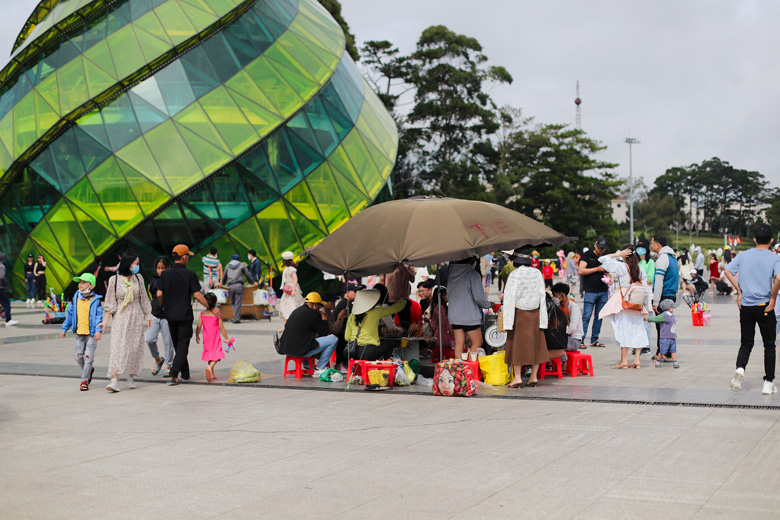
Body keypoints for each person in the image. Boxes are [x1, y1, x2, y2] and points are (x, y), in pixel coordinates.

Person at [723, 224, 780, 395]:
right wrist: (774, 297)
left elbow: (727, 271)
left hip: (746, 306)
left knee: (746, 342)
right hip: (765, 306)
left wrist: (739, 291)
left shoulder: (743, 255)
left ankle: (740, 369)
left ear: (754, 239)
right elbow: (778, 277)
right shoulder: (774, 258)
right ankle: (768, 382)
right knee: (769, 345)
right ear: (771, 240)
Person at [158, 244, 215, 386]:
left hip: (170, 315)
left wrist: (165, 304)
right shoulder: (190, 274)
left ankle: (185, 373)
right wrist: (210, 306)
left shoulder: (165, 274)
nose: (188, 258)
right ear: (183, 257)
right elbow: (197, 294)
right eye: (187, 256)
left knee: (178, 345)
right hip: (184, 315)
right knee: (183, 345)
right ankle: (174, 373)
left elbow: (159, 293)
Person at [103, 250, 153, 392]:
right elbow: (110, 303)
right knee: (117, 347)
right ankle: (114, 380)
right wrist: (105, 322)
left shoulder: (139, 278)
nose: (137, 266)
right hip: (120, 316)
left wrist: (148, 315)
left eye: (138, 263)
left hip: (136, 316)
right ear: (127, 263)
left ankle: (131, 376)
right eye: (135, 263)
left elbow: (143, 297)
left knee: (134, 347)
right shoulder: (114, 280)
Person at [503, 247, 548, 388]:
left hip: (519, 314)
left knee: (516, 345)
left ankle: (517, 377)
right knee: (537, 344)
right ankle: (533, 376)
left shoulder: (514, 275)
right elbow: (543, 295)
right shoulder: (537, 273)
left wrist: (507, 321)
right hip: (535, 313)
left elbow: (509, 298)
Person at [598, 246, 649, 369]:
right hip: (637, 304)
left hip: (624, 302)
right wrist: (645, 308)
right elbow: (645, 290)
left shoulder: (621, 267)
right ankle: (637, 360)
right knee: (638, 330)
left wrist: (618, 254)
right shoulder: (640, 270)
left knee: (624, 330)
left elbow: (602, 259)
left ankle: (624, 360)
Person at [60, 273, 104, 391]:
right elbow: (70, 315)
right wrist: (64, 328)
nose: (81, 285)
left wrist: (98, 330)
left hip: (92, 334)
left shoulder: (96, 300)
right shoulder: (75, 298)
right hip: (80, 334)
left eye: (84, 282)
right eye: (80, 282)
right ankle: (89, 369)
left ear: (92, 285)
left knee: (89, 358)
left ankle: (84, 381)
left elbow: (99, 317)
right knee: (78, 356)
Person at [279, 292, 338, 377]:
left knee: (305, 340)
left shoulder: (296, 311)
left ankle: (307, 365)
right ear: (314, 305)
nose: (320, 308)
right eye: (320, 306)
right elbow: (323, 333)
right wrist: (324, 320)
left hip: (287, 349)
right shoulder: (313, 313)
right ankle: (320, 368)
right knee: (333, 339)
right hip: (300, 351)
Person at [344, 289, 406, 361]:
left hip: (354, 353)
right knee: (388, 343)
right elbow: (395, 308)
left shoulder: (351, 316)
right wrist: (403, 299)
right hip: (369, 352)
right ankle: (387, 366)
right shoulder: (375, 312)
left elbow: (347, 337)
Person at [448, 257, 491, 361]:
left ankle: (460, 371)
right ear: (472, 260)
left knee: (459, 343)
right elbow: (479, 297)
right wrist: (488, 305)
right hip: (469, 315)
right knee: (477, 342)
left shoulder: (451, 274)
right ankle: (469, 369)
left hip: (454, 314)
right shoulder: (472, 274)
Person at [650, 234, 679, 357]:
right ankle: (666, 352)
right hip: (671, 295)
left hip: (664, 296)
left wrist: (655, 302)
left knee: (661, 326)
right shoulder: (673, 258)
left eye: (652, 243)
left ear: (657, 245)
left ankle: (661, 353)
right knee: (667, 326)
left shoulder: (662, 259)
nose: (651, 245)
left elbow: (659, 282)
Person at [146, 256, 174, 377]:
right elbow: (150, 299)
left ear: (168, 267)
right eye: (158, 268)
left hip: (168, 316)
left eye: (163, 268)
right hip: (155, 315)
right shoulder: (153, 281)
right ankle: (158, 359)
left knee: (168, 341)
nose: (160, 270)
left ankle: (169, 365)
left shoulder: (173, 281)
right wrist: (148, 315)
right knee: (149, 339)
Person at [579, 237, 609, 348]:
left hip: (603, 291)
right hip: (590, 291)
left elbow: (607, 271)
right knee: (586, 316)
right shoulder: (587, 256)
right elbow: (581, 270)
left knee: (599, 317)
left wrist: (608, 278)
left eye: (603, 248)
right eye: (600, 247)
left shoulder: (605, 258)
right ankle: (580, 340)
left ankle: (594, 339)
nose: (601, 250)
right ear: (595, 245)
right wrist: (597, 269)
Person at [196, 293, 229, 382]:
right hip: (215, 338)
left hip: (206, 339)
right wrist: (226, 338)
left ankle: (212, 374)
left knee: (210, 355)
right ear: (215, 303)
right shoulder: (217, 314)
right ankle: (209, 367)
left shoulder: (202, 314)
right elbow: (221, 327)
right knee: (217, 355)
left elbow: (199, 326)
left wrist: (197, 335)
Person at [222, 253, 259, 324]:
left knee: (233, 302)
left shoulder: (227, 266)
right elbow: (247, 274)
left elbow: (224, 276)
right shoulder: (242, 265)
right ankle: (236, 318)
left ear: (232, 259)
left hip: (231, 286)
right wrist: (252, 282)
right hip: (239, 285)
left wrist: (222, 283)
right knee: (238, 303)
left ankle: (235, 318)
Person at [636, 238, 655, 354]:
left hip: (646, 293)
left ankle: (646, 345)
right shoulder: (635, 261)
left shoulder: (650, 262)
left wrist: (641, 279)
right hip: (636, 293)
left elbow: (650, 279)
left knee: (646, 319)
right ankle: (637, 345)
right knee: (636, 320)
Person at [647, 300, 679, 368]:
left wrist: (674, 333)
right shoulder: (664, 315)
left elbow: (673, 326)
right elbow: (656, 319)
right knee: (662, 351)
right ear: (669, 308)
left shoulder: (672, 315)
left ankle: (675, 361)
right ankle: (658, 360)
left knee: (673, 350)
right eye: (673, 307)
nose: (674, 308)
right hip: (665, 338)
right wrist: (648, 319)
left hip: (672, 337)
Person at [385, 262, 416, 327]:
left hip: (403, 299)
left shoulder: (408, 263)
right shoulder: (388, 262)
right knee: (386, 326)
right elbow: (382, 279)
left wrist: (403, 268)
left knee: (405, 326)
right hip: (389, 299)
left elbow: (412, 279)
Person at [278, 251, 303, 324]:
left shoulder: (291, 269)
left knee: (291, 306)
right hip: (288, 290)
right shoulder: (288, 268)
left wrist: (293, 290)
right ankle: (286, 325)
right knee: (284, 306)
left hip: (291, 289)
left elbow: (295, 279)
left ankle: (291, 324)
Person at [428, 286, 454, 354]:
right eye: (446, 294)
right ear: (442, 296)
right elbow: (444, 321)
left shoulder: (437, 306)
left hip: (440, 335)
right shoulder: (440, 307)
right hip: (441, 336)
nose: (448, 296)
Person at [0, 252, 17, 327]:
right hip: (0, 288)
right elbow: (1, 277)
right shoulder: (2, 266)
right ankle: (8, 320)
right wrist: (6, 284)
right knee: (6, 304)